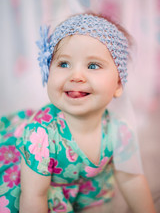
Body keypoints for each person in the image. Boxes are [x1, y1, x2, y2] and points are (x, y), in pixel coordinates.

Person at [0, 13, 156, 213]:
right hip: (39, 191)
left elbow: (131, 178)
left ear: (118, 84)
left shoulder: (119, 131)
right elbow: (33, 195)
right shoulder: (40, 134)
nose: (76, 76)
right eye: (64, 64)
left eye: (93, 65)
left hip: (85, 188)